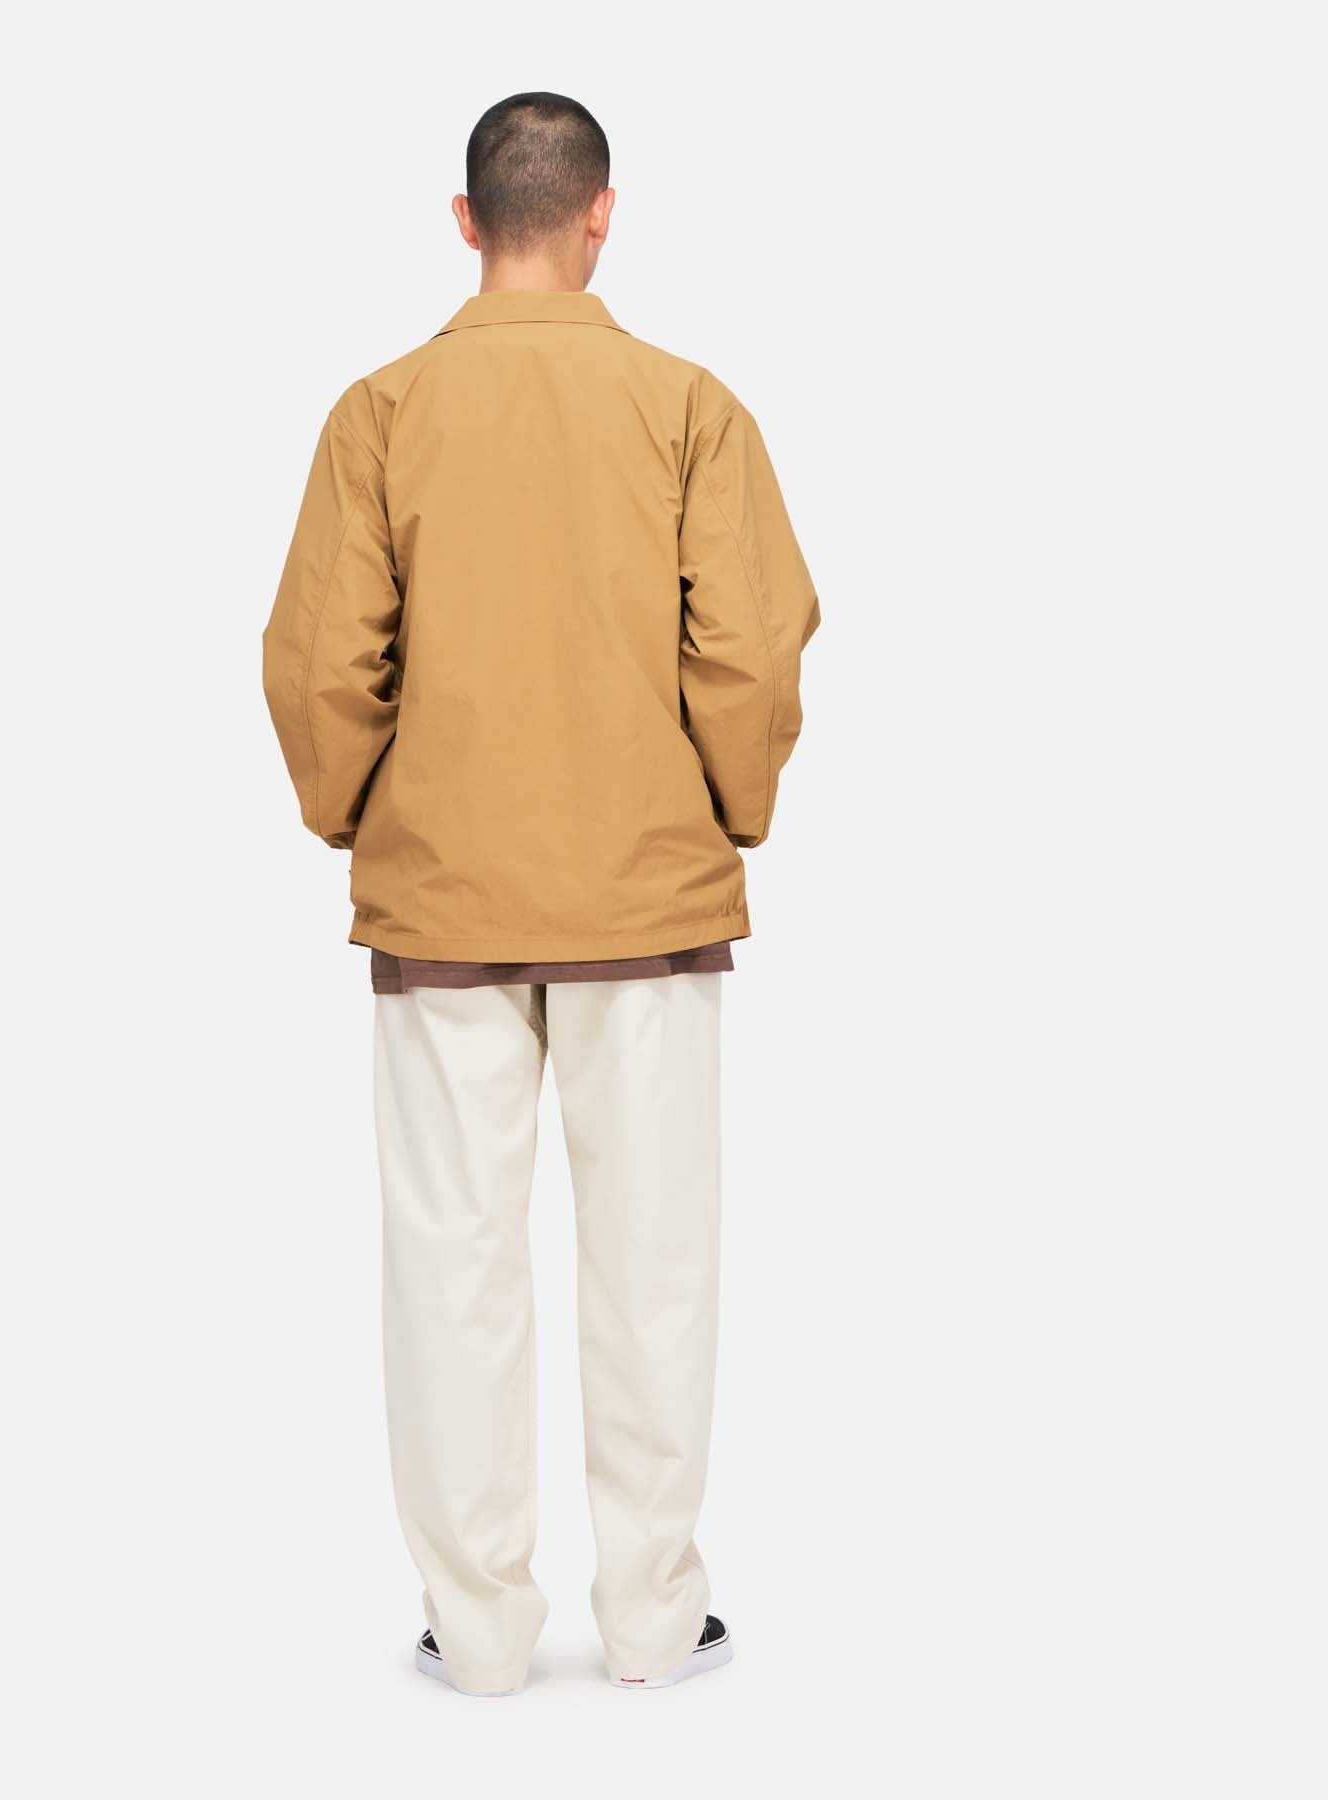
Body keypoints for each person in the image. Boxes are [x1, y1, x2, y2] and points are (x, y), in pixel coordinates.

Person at [263, 91, 819, 1696]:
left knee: (452, 1265)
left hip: (441, 905)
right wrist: (725, 813)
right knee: (655, 1266)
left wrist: (359, 817)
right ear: (601, 214)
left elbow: (318, 662)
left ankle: (481, 1633)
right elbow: (752, 646)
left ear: (463, 221)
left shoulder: (380, 412)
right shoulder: (689, 407)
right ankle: (651, 1618)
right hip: (647, 903)